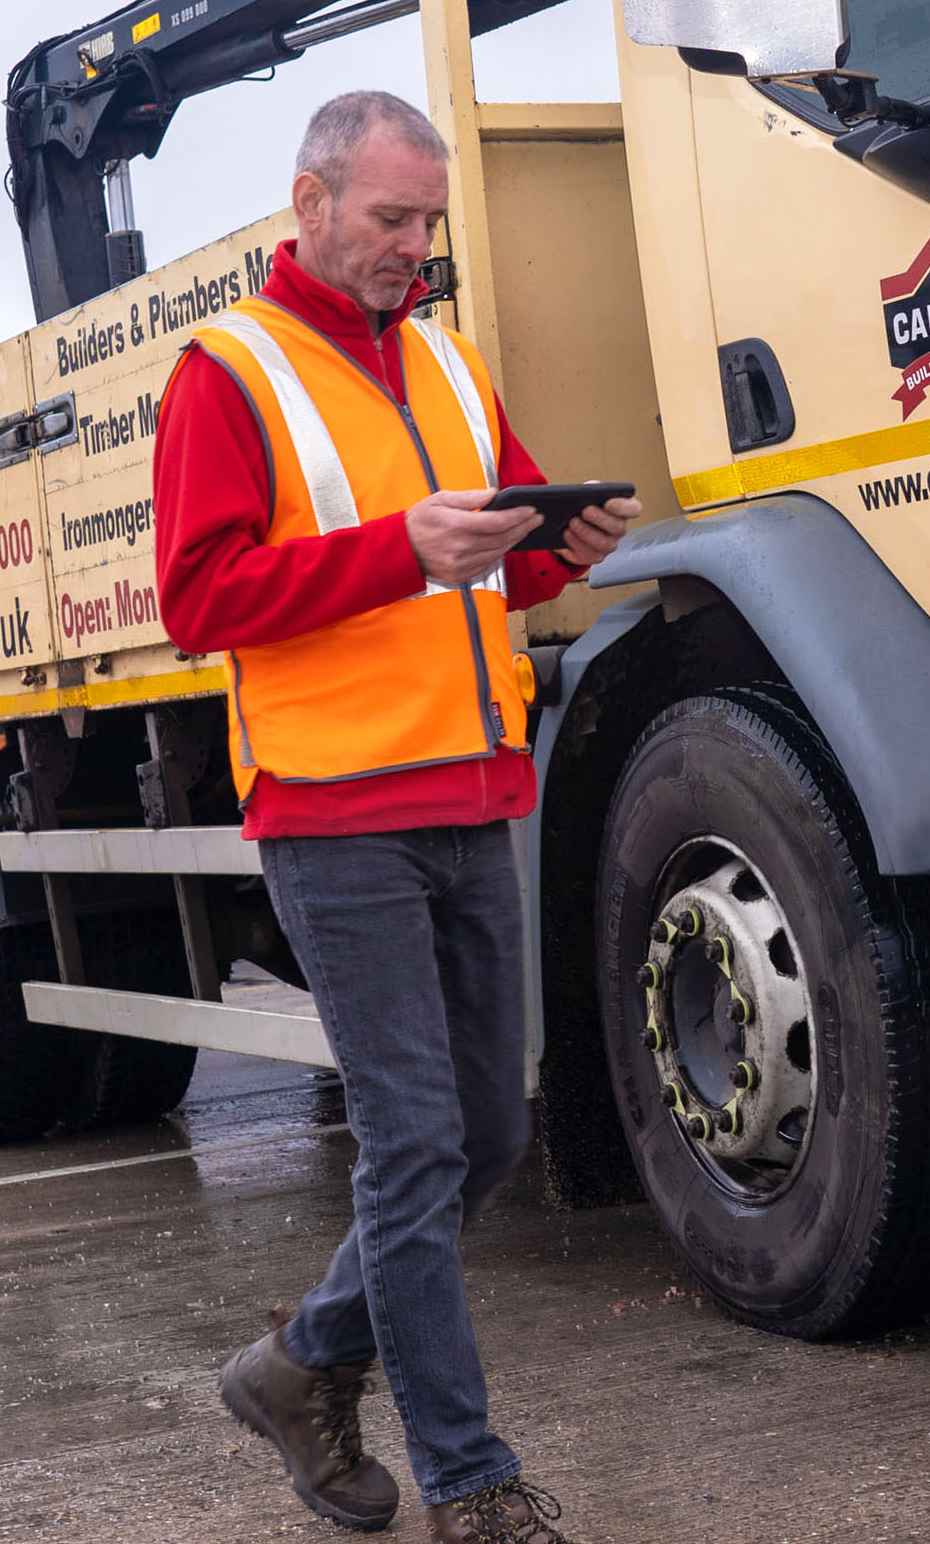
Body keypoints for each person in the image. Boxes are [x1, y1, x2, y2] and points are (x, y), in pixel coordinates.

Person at [152, 87, 640, 1542]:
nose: (411, 246)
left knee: (488, 1129)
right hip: (335, 807)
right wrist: (395, 553)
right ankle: (472, 1480)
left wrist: (560, 549)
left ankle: (298, 1363)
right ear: (308, 203)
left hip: (472, 784)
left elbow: (478, 576)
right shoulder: (224, 374)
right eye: (388, 217)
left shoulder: (441, 354)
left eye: (426, 220)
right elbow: (198, 601)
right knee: (418, 1140)